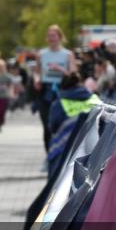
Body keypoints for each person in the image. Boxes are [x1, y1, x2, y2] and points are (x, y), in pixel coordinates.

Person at [35, 24, 76, 152]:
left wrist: (60, 69)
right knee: (47, 125)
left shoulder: (68, 54)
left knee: (60, 124)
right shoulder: (41, 54)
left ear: (60, 37)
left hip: (62, 90)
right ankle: (48, 155)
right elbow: (36, 72)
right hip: (46, 90)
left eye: (54, 35)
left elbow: (74, 74)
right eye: (49, 36)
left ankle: (60, 153)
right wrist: (36, 80)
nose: (51, 38)